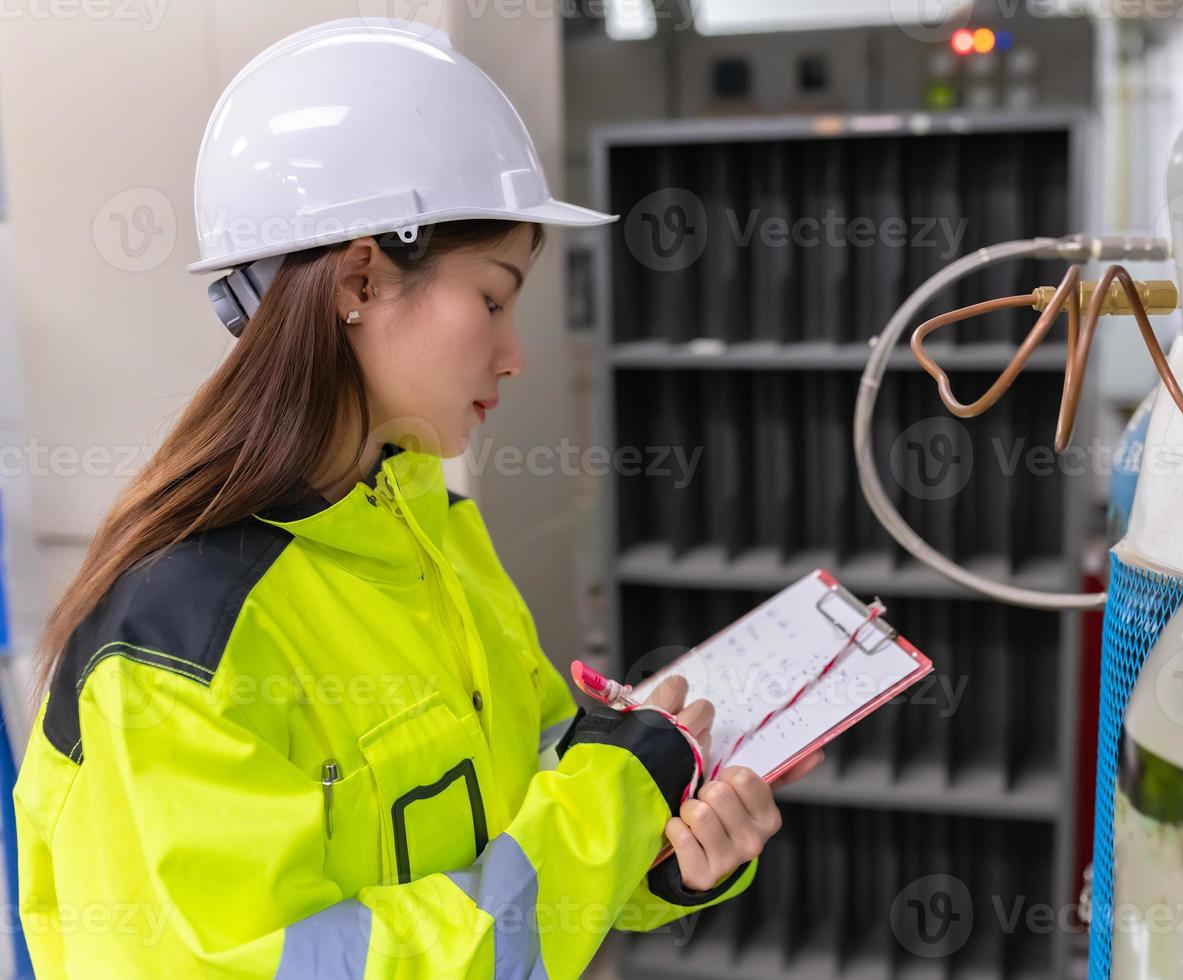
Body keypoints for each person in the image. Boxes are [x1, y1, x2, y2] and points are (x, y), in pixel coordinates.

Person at [12, 18, 819, 977]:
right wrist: (613, 794)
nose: (514, 353)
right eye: (493, 298)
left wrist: (665, 837)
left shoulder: (427, 531)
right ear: (359, 278)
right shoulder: (175, 644)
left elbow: (515, 852)